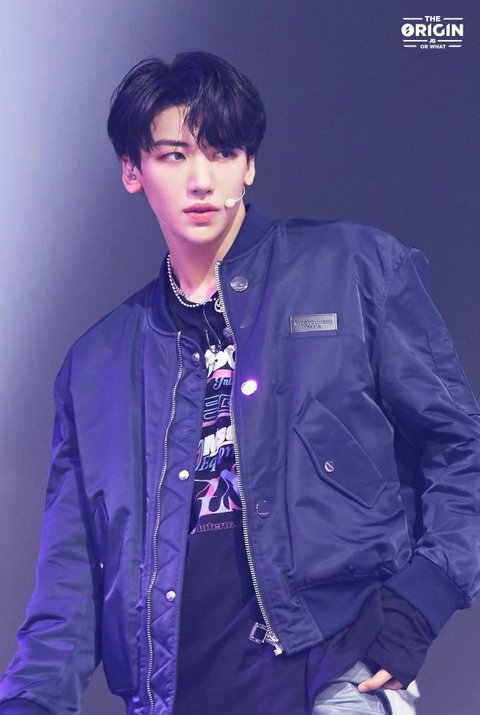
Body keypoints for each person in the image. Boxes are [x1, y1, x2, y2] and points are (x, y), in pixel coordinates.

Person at [0, 50, 479, 715]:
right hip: (175, 692)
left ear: (249, 165)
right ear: (133, 170)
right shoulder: (96, 365)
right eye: (173, 155)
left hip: (334, 669)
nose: (201, 179)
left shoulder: (356, 269)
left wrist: (419, 603)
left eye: (222, 152)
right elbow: (69, 579)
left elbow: (461, 449)